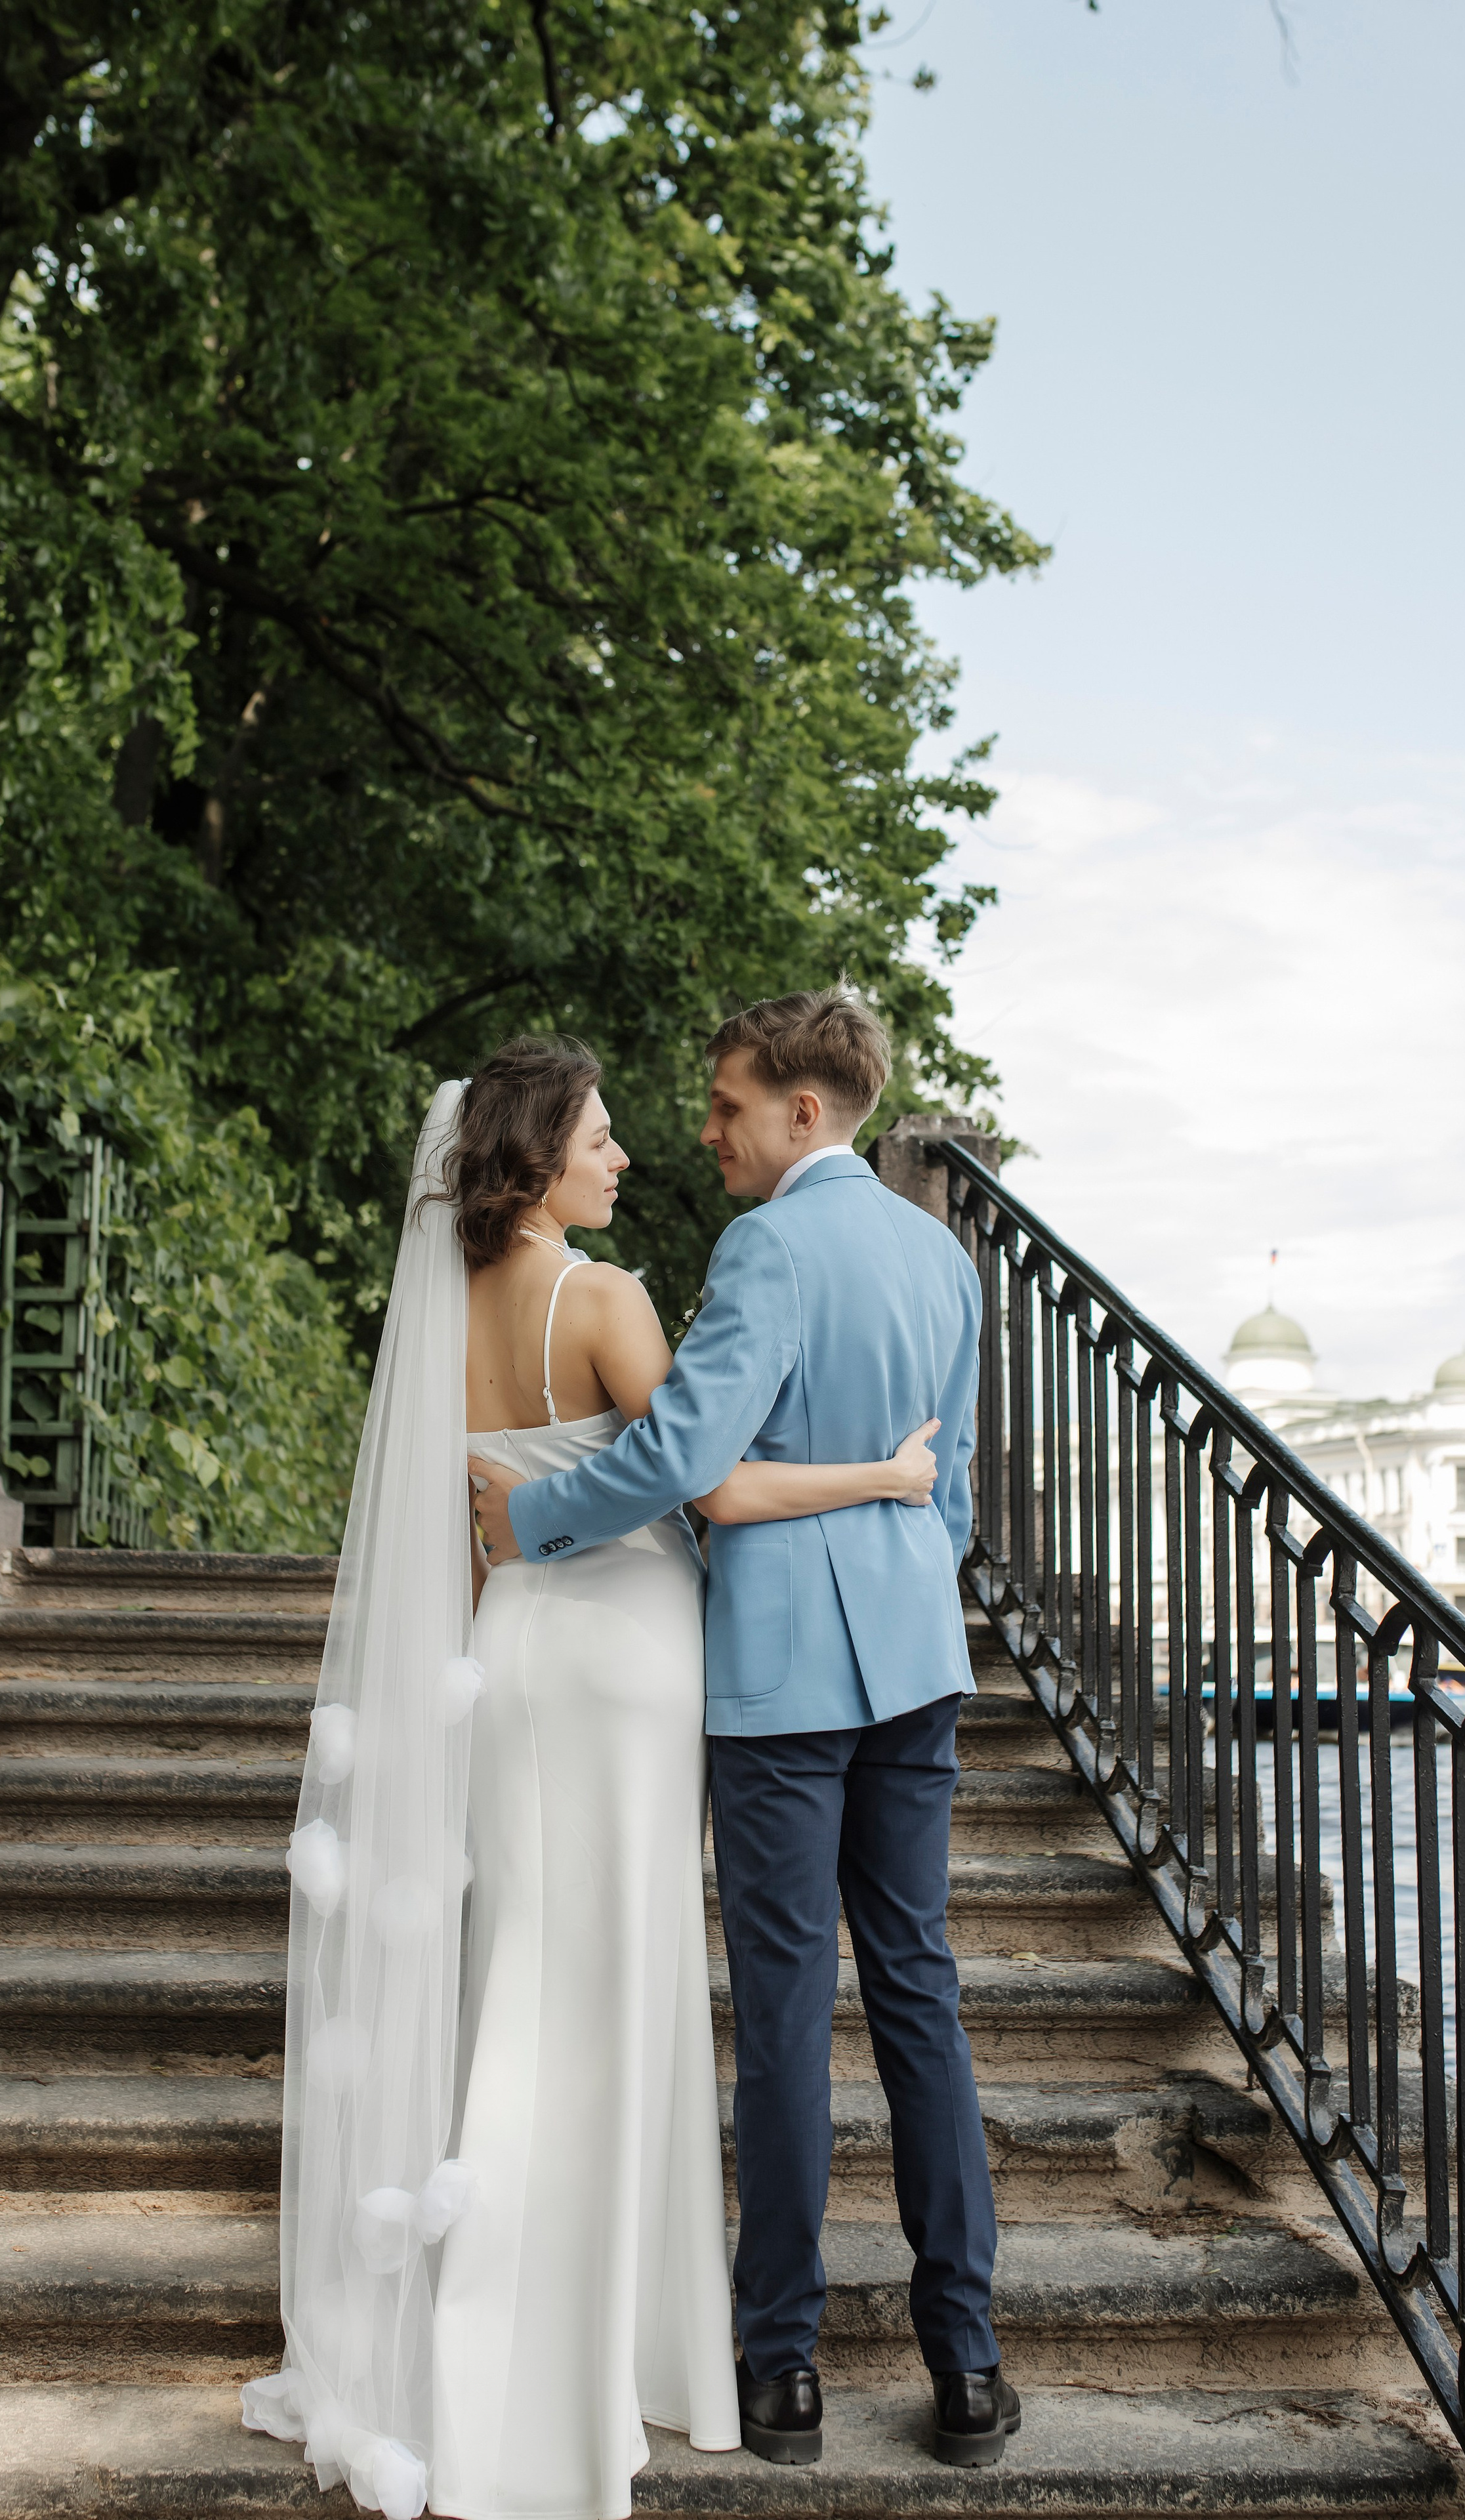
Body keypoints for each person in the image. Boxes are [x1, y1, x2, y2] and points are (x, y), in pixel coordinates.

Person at [243, 1036, 944, 2520]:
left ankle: (491, 2325)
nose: (630, 1155)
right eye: (602, 1138)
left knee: (525, 1979)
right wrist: (886, 1479)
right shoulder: (607, 1298)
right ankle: (604, 2351)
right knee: (617, 1991)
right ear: (538, 1156)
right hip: (626, 1654)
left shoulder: (445, 1309)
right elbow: (714, 1482)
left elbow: (483, 1520)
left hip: (506, 1652)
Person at [471, 988, 1018, 2474]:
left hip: (781, 1681)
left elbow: (684, 1454)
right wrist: (913, 1591)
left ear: (801, 1110)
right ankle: (963, 2367)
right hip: (915, 1661)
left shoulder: (766, 1243)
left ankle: (778, 2374)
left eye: (723, 1106)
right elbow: (948, 1486)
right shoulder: (940, 1257)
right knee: (917, 1992)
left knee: (781, 2018)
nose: (702, 1131)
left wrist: (536, 1515)